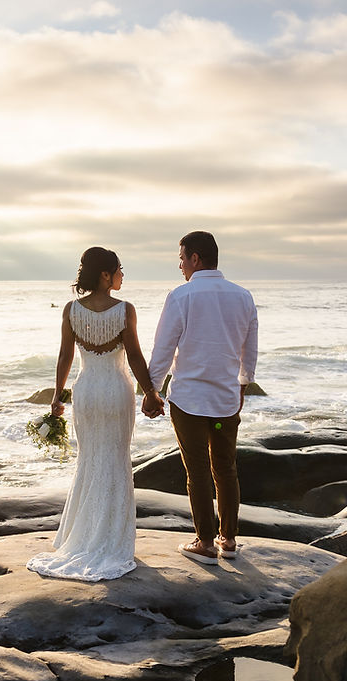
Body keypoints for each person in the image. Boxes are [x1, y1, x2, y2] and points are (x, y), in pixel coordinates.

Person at [28, 247, 164, 581]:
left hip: (86, 392)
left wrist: (57, 396)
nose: (122, 275)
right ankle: (112, 542)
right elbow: (134, 356)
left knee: (89, 461)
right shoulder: (124, 310)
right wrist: (150, 391)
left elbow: (65, 356)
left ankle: (86, 535)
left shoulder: (72, 310)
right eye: (119, 269)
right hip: (116, 392)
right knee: (116, 460)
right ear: (105, 275)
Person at [145, 231, 258, 565]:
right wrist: (243, 385)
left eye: (181, 258)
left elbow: (164, 346)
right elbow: (249, 349)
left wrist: (152, 390)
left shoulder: (182, 295)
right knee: (226, 469)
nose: (180, 265)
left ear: (195, 258)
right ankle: (230, 539)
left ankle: (205, 543)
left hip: (189, 400)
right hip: (225, 401)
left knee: (197, 472)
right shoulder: (243, 296)